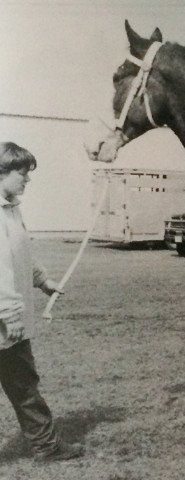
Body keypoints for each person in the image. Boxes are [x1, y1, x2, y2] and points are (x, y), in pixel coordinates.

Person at [0, 142, 84, 462]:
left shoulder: (12, 207)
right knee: (22, 383)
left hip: (8, 316)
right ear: (2, 172)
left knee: (23, 383)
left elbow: (20, 254)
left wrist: (42, 281)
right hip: (4, 318)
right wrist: (9, 314)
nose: (27, 180)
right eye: (22, 173)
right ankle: (47, 446)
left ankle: (47, 446)